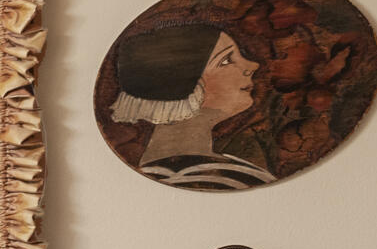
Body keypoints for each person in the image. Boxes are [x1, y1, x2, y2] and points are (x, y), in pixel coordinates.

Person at [109, 22, 269, 189]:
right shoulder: (196, 178)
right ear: (186, 86)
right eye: (226, 60)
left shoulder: (225, 167)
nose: (252, 66)